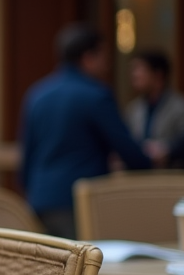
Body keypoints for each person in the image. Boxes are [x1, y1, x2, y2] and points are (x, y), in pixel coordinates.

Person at [19, 22, 151, 239]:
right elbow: (127, 150)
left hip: (39, 200)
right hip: (78, 202)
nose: (107, 64)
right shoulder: (96, 95)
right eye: (104, 56)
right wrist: (148, 163)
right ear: (88, 57)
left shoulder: (37, 94)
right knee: (85, 269)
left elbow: (27, 154)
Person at [125, 48, 184, 148]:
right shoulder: (134, 108)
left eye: (139, 69)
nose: (134, 74)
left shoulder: (181, 107)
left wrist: (165, 149)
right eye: (133, 69)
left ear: (158, 75)